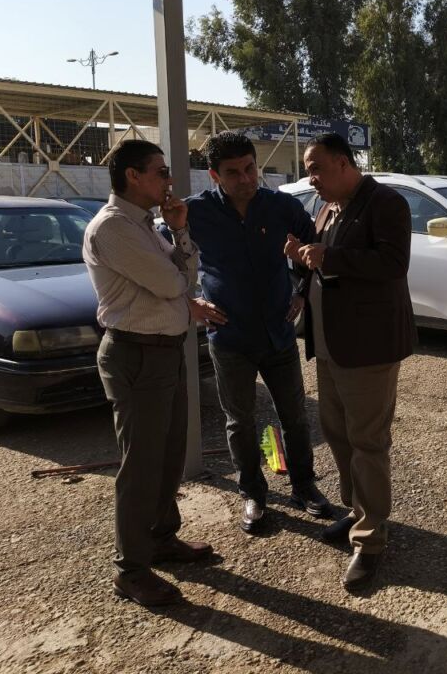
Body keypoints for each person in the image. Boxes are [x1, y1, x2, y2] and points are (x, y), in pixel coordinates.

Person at [83, 139, 223, 607]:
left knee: (168, 455)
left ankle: (161, 537)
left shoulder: (145, 225)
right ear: (132, 176)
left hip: (162, 351)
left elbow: (186, 272)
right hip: (136, 353)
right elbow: (171, 282)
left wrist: (179, 231)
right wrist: (180, 272)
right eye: (161, 172)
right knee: (142, 465)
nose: (169, 180)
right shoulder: (113, 227)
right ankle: (131, 569)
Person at [285, 132, 415, 592]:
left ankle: (371, 539)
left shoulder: (386, 203)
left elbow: (393, 263)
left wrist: (330, 256)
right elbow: (322, 267)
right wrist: (301, 261)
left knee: (367, 441)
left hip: (369, 348)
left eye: (316, 168)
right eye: (309, 170)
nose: (311, 178)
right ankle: (357, 512)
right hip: (330, 344)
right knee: (338, 435)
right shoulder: (327, 208)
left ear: (343, 163)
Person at [183, 131, 330, 534]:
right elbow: (163, 257)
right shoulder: (195, 212)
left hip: (278, 334)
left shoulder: (281, 206)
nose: (246, 179)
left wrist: (302, 291)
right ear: (214, 175)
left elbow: (316, 248)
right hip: (230, 339)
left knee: (295, 416)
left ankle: (304, 486)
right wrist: (188, 303)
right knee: (239, 421)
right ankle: (253, 493)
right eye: (233, 173)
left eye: (250, 168)